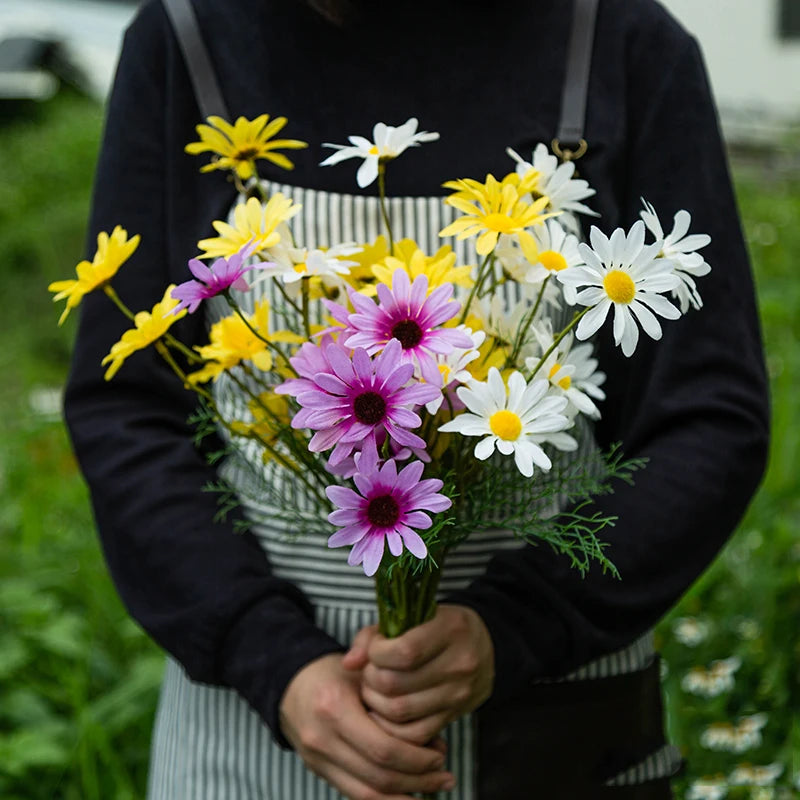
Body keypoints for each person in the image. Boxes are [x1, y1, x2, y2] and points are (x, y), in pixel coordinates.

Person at [63, 0, 770, 797]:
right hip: (253, 734)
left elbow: (711, 416)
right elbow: (127, 411)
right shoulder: (189, 40)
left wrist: (516, 629)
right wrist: (275, 662)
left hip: (554, 728)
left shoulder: (617, 44)